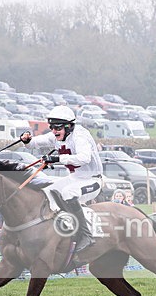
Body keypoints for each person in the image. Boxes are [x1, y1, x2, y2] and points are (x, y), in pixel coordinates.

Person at [20, 105, 103, 251]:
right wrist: (27, 140)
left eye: (57, 127)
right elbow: (35, 143)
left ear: (69, 126)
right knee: (47, 191)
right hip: (75, 178)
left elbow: (84, 158)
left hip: (93, 180)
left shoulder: (80, 136)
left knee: (68, 193)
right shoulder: (57, 135)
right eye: (52, 127)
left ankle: (86, 235)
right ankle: (58, 227)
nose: (54, 131)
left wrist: (57, 158)